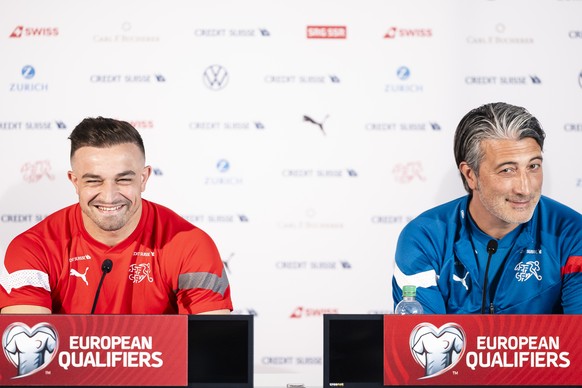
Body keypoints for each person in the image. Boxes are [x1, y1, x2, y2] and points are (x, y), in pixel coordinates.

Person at [0, 117, 232, 314]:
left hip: (158, 368)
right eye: (94, 181)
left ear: (143, 179)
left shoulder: (190, 245)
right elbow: (25, 355)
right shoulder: (33, 248)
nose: (109, 196)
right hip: (68, 369)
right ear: (75, 182)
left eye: (123, 179)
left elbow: (211, 353)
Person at [392, 102, 582, 314]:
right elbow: (424, 342)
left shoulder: (573, 233)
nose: (525, 188)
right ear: (470, 175)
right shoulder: (424, 238)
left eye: (533, 166)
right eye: (507, 170)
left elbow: (578, 339)